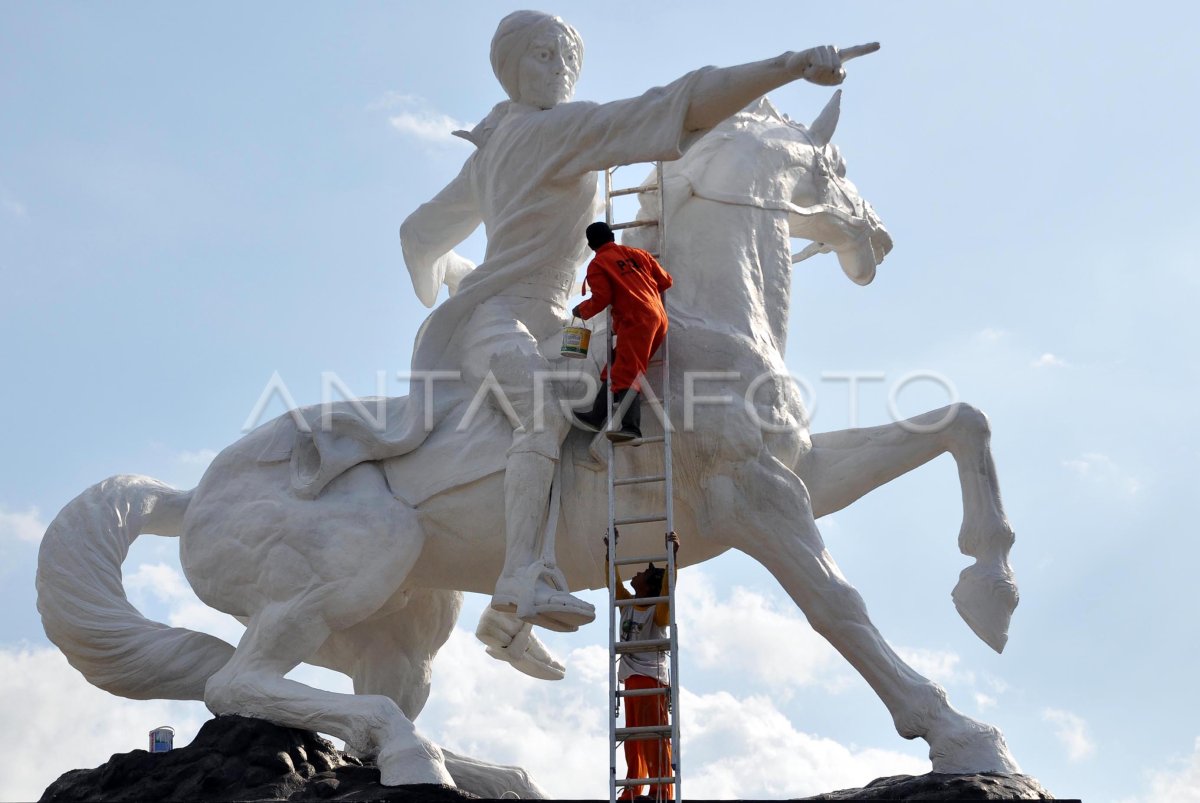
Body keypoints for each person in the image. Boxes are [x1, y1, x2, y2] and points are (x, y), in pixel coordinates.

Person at [398, 8, 873, 633]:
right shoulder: (556, 131)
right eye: (544, 55)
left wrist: (444, 270)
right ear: (510, 69)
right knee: (542, 410)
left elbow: (418, 235)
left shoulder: (494, 151)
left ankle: (502, 628)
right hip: (501, 320)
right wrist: (785, 67)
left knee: (599, 390)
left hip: (551, 320)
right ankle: (521, 576)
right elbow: (679, 102)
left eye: (568, 56)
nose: (561, 68)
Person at [571, 222, 672, 443]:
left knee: (626, 371)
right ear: (612, 236)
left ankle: (631, 428)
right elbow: (665, 281)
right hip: (658, 318)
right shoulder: (639, 254)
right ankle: (597, 416)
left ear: (590, 245)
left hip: (635, 320)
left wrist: (582, 310)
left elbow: (602, 298)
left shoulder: (598, 264)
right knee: (616, 366)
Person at [606, 533, 680, 801]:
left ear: (649, 586)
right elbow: (613, 585)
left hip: (651, 680)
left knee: (653, 736)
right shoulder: (627, 604)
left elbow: (667, 592)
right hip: (632, 680)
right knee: (633, 738)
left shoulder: (657, 612)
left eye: (643, 573)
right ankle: (633, 787)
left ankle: (661, 787)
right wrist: (610, 553)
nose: (636, 573)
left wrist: (672, 559)